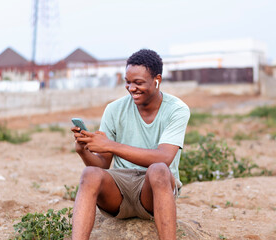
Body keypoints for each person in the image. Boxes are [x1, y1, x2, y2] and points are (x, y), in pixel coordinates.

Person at [71, 49, 190, 240]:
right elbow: (102, 166)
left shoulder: (177, 110)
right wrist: (83, 151)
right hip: (119, 193)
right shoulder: (114, 109)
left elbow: (165, 157)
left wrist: (111, 145)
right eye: (128, 82)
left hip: (153, 191)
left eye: (139, 83)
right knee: (89, 174)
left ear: (157, 80)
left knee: (158, 170)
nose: (131, 88)